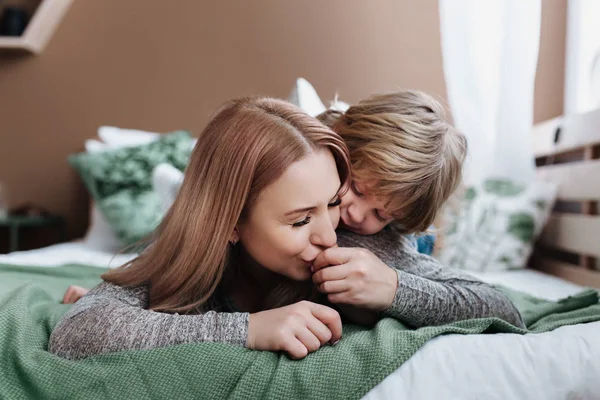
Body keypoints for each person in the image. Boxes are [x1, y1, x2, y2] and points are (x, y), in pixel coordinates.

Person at [51, 96, 524, 362]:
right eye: (351, 191)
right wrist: (247, 329)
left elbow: (503, 310)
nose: (340, 227)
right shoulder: (217, 226)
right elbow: (81, 332)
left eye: (333, 204)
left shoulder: (372, 247)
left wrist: (396, 289)